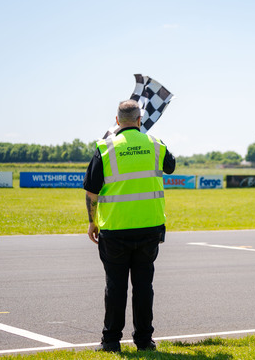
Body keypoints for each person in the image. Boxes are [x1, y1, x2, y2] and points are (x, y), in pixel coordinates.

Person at [83, 99, 175, 353]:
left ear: (116, 122)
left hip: (115, 229)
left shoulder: (105, 148)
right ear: (139, 120)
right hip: (149, 228)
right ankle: (145, 341)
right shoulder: (156, 144)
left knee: (116, 286)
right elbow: (171, 166)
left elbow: (91, 192)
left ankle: (111, 342)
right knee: (144, 287)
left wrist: (92, 222)